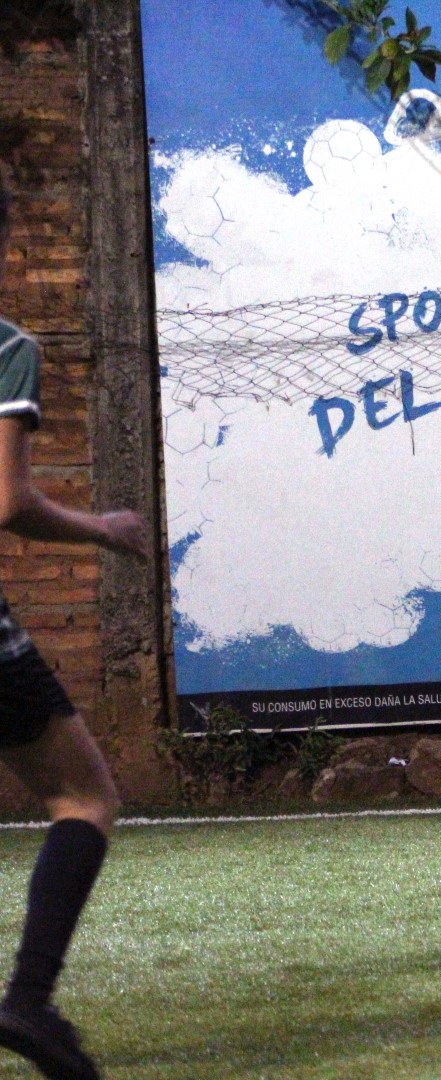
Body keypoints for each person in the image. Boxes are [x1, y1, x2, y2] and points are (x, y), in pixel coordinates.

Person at [0, 182, 148, 1080]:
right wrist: (104, 529)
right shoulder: (9, 348)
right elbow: (9, 502)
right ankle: (29, 1002)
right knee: (84, 796)